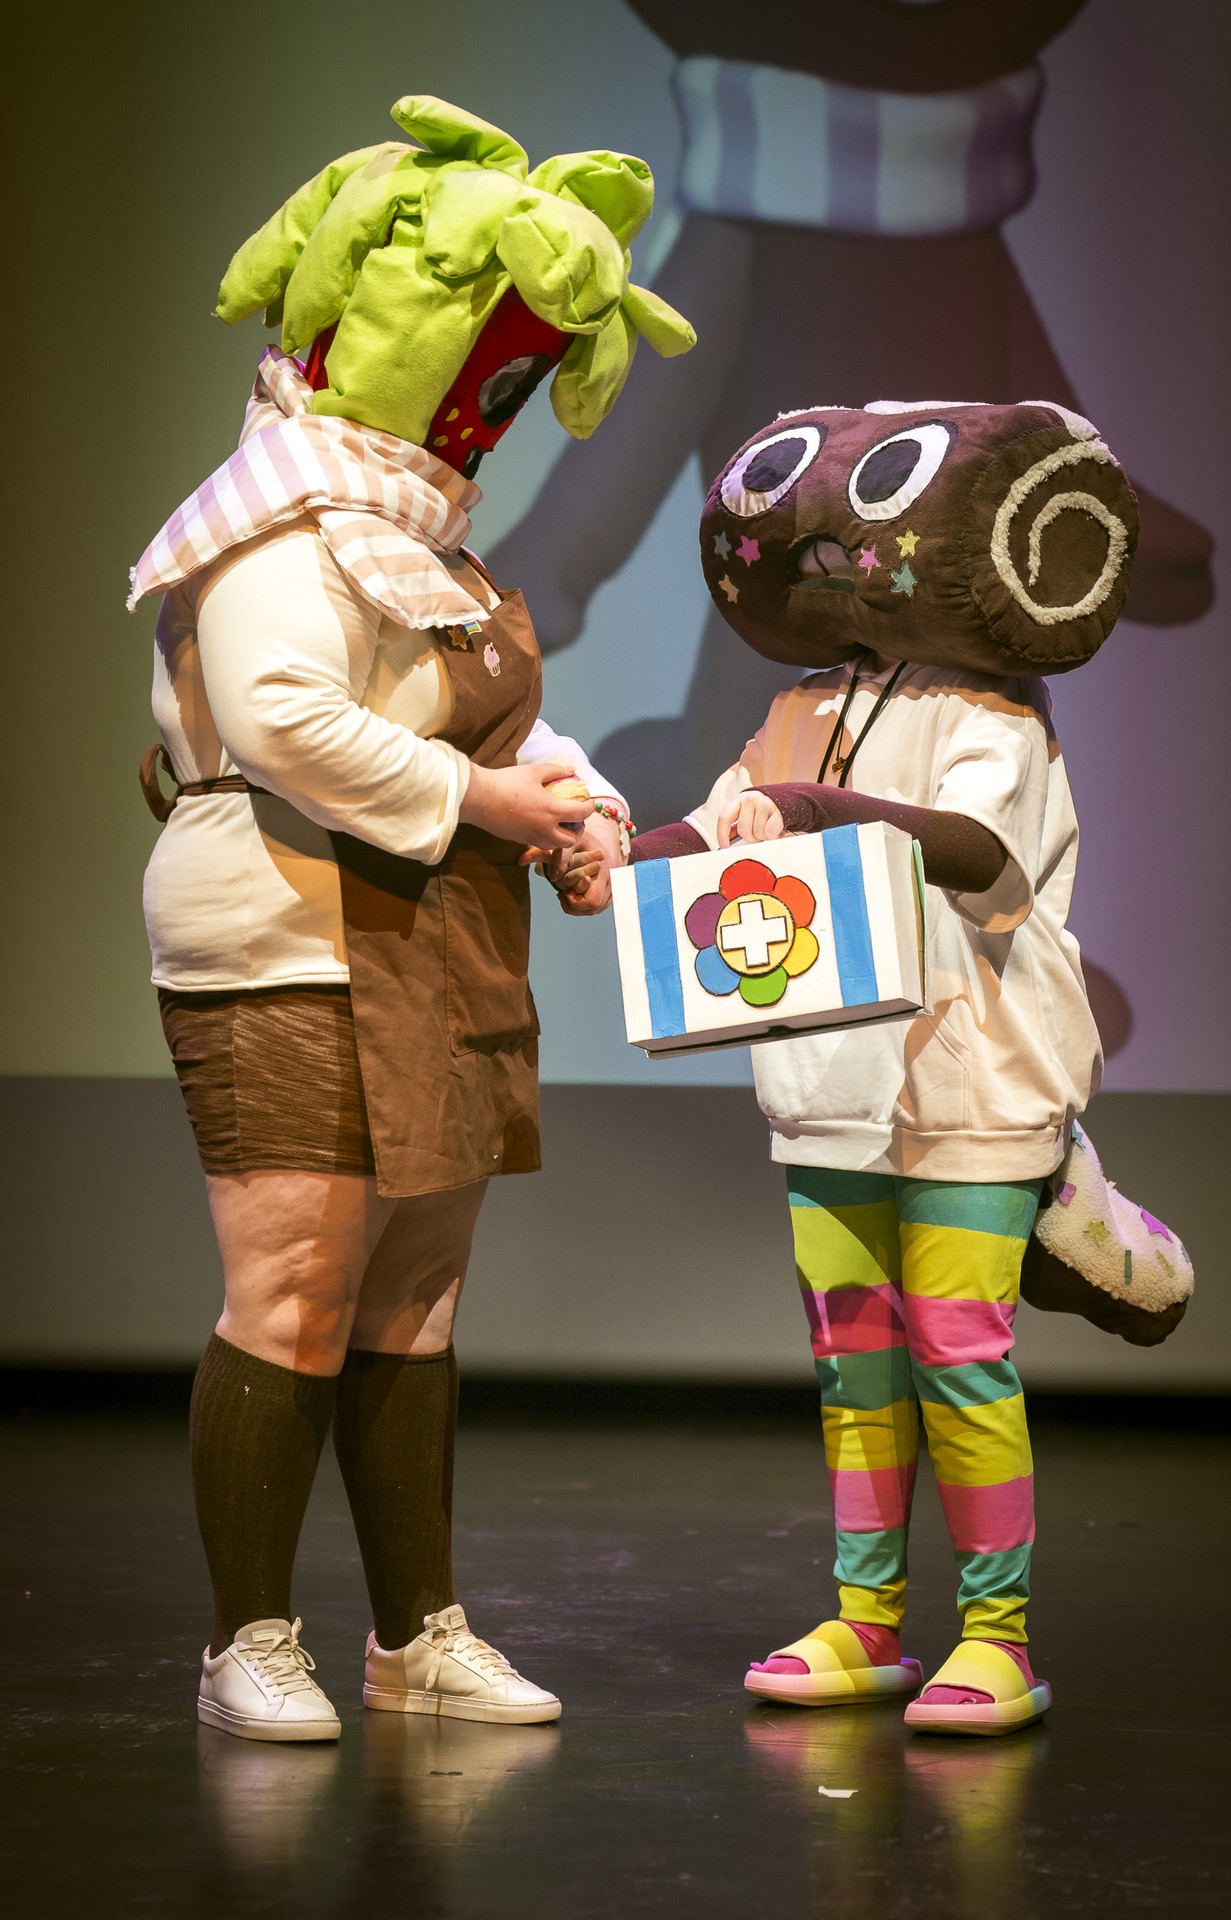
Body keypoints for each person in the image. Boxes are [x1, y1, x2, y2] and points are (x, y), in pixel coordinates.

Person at [128, 94, 693, 1743]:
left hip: (433, 938)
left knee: (417, 1298)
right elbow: (284, 715)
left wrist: (578, 809)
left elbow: (491, 718)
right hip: (287, 931)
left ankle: (415, 1638)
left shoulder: (420, 540)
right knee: (297, 1286)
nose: (492, 412)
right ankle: (247, 1641)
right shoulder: (276, 520)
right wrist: (488, 805)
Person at [632, 398, 1140, 1734]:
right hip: (827, 1090)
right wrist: (617, 853)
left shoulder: (997, 716)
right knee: (853, 1356)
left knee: (960, 1350)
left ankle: (997, 1636)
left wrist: (819, 810)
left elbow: (974, 853)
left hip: (976, 1085)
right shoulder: (803, 706)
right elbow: (725, 822)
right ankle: (866, 1619)